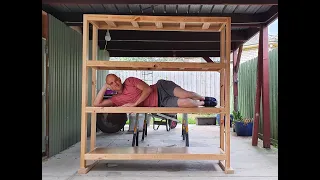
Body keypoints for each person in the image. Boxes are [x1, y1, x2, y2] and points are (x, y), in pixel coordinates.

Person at [93, 74, 217, 108]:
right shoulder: (116, 100)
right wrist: (104, 87)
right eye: (111, 84)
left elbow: (147, 89)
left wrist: (134, 104)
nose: (115, 84)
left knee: (186, 94)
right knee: (186, 103)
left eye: (116, 80)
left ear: (119, 79)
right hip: (161, 102)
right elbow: (96, 105)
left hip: (161, 88)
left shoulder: (130, 81)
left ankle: (203, 98)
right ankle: (203, 104)